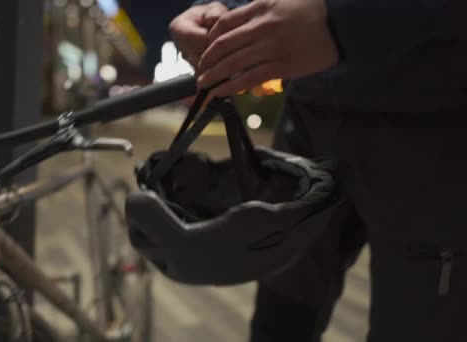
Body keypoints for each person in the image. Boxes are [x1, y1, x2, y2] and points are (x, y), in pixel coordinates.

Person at [170, 1, 467, 341]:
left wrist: (343, 19)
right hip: (309, 119)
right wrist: (225, 12)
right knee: (278, 322)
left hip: (437, 125)